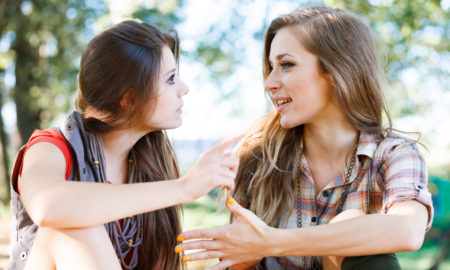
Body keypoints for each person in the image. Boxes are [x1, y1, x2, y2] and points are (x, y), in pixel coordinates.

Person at [175, 7, 433, 270]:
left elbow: (408, 230)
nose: (269, 83)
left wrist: (272, 241)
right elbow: (239, 261)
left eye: (286, 65)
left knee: (350, 220)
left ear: (336, 71)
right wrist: (245, 255)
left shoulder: (394, 154)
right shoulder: (258, 157)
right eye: (271, 67)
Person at [7, 20, 241, 270]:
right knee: (75, 226)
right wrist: (184, 188)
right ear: (129, 98)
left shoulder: (155, 167)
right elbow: (48, 207)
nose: (184, 89)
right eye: (171, 79)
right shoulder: (51, 147)